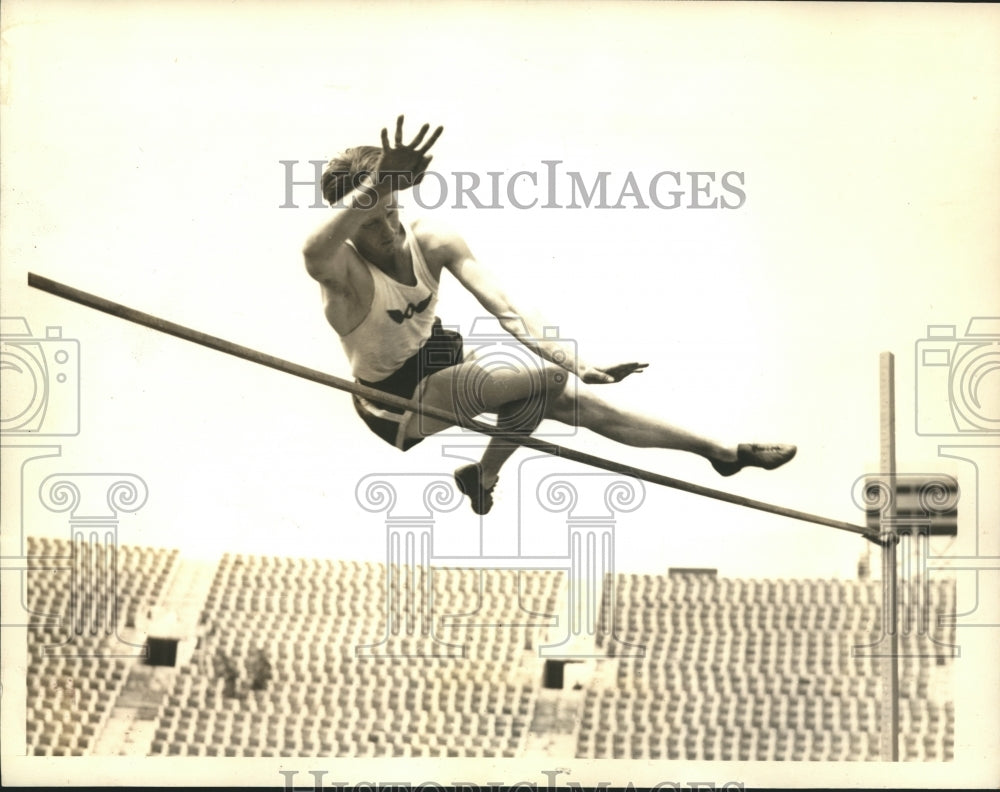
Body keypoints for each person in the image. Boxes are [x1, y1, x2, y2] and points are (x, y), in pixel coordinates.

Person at [302, 116, 796, 515]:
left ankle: (721, 452)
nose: (388, 229)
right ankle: (484, 474)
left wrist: (577, 362)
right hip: (393, 399)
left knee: (571, 397)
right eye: (370, 221)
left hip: (441, 359)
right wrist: (376, 184)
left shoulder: (431, 239)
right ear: (348, 222)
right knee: (547, 380)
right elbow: (313, 249)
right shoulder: (341, 271)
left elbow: (509, 309)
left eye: (391, 210)